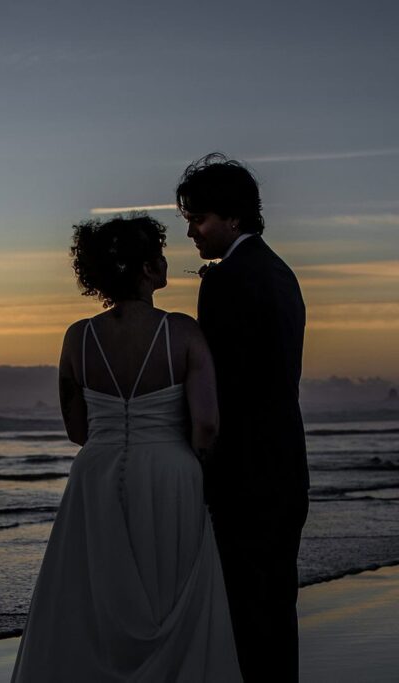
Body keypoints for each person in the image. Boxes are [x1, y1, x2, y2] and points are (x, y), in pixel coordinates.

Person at [10, 215, 242, 682]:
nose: (164, 262)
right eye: (157, 256)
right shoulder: (183, 331)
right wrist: (193, 458)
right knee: (169, 593)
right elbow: (207, 423)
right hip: (170, 472)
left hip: (96, 475)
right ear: (144, 270)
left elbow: (77, 429)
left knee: (96, 601)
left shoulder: (79, 336)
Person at [177, 153, 309, 681]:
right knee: (275, 610)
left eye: (198, 219)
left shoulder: (228, 280)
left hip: (245, 476)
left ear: (232, 217)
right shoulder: (279, 271)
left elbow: (222, 387)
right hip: (284, 467)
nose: (191, 232)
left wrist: (201, 456)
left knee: (248, 615)